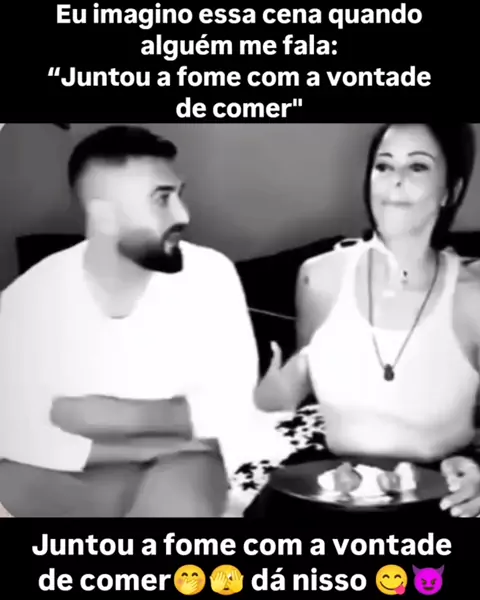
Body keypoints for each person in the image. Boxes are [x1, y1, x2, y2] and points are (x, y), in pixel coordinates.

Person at [0, 125, 290, 517]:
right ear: (104, 215)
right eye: (161, 199)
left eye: (179, 195)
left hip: (182, 467)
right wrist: (167, 432)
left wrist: (100, 415)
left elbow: (230, 409)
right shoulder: (29, 297)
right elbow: (15, 431)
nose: (183, 214)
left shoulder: (210, 273)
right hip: (74, 472)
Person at [254, 123, 480, 518]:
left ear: (451, 190)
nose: (395, 181)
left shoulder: (472, 296)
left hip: (439, 497)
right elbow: (301, 381)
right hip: (333, 489)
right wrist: (273, 394)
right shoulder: (318, 278)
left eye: (418, 167)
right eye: (384, 166)